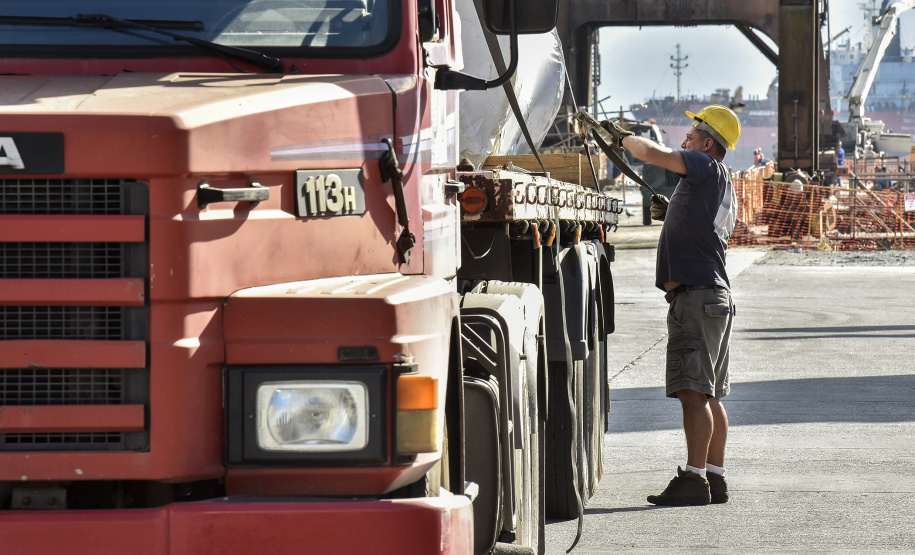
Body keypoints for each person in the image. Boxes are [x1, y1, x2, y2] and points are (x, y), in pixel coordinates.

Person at [602, 104, 739, 506]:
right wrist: (675, 212)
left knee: (693, 394)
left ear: (708, 143)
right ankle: (714, 477)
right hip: (712, 296)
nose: (685, 141)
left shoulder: (703, 165)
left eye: (692, 135)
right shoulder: (721, 180)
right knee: (710, 394)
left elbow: (650, 154)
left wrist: (624, 138)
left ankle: (694, 480)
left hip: (696, 298)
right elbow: (702, 229)